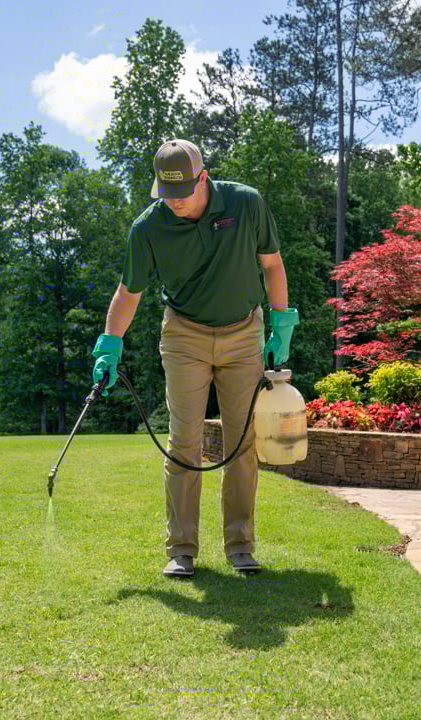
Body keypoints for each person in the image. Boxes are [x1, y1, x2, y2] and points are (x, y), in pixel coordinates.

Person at [91, 139, 298, 579]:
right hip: (184, 335)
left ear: (204, 177)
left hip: (244, 333)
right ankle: (182, 550)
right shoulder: (148, 228)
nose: (176, 203)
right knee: (184, 441)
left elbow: (273, 265)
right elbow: (129, 292)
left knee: (240, 441)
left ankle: (240, 547)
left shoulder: (246, 204)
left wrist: (282, 324)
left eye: (183, 192)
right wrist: (110, 344)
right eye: (167, 194)